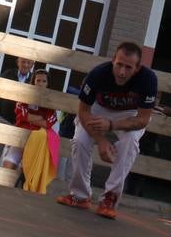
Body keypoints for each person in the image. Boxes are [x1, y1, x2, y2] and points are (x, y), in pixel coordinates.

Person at [56, 42, 158, 219]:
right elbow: (83, 112)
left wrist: (111, 125)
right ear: (113, 60)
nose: (122, 72)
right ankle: (80, 195)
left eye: (128, 67)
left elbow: (143, 119)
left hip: (129, 114)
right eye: (119, 64)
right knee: (80, 140)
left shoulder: (148, 79)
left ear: (137, 68)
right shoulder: (98, 74)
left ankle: (109, 198)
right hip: (98, 109)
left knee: (130, 142)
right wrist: (101, 140)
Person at [0, 69, 58, 171]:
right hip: (19, 136)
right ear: (33, 82)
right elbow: (21, 115)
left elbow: (48, 123)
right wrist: (41, 117)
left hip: (35, 141)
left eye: (44, 81)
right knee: (6, 168)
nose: (40, 84)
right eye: (38, 81)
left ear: (48, 84)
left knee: (25, 173)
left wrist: (29, 118)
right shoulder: (25, 96)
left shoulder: (51, 103)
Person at [0, 56, 36, 163]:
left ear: (32, 65)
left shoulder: (34, 80)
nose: (25, 65)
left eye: (29, 63)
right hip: (3, 119)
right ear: (18, 62)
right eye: (23, 61)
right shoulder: (8, 74)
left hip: (20, 124)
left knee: (10, 158)